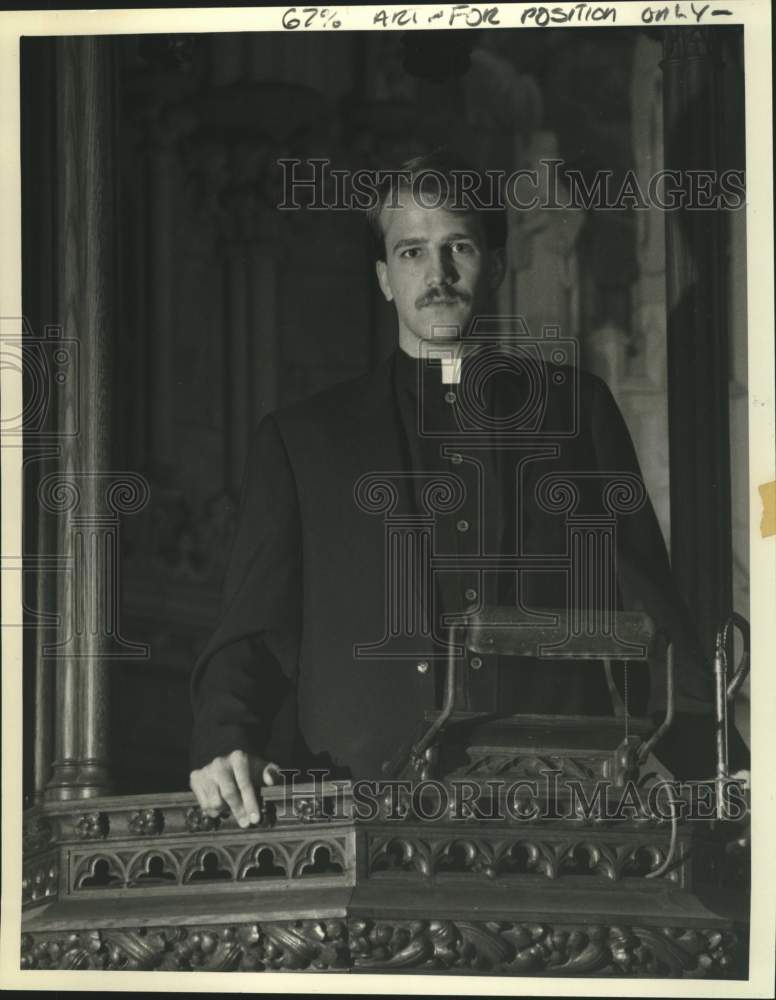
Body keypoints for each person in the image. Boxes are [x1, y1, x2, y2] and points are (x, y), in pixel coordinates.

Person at [189, 150, 747, 827]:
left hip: (560, 807)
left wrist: (722, 765)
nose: (438, 275)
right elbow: (249, 633)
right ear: (384, 279)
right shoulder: (303, 440)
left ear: (498, 266)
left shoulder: (577, 411)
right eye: (412, 253)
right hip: (358, 810)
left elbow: (651, 611)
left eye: (459, 247)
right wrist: (226, 743)